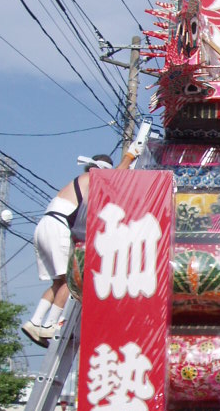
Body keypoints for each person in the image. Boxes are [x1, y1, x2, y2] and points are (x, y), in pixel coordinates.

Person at [22, 141, 143, 347]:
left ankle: (35, 322)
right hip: (58, 226)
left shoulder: (80, 183)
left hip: (45, 226)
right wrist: (129, 157)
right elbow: (114, 179)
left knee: (58, 281)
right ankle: (51, 324)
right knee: (71, 281)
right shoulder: (90, 178)